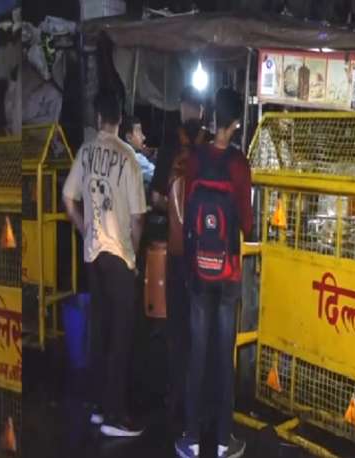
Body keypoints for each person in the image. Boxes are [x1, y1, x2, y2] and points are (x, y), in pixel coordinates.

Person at [63, 91, 147, 437]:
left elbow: (68, 198)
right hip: (119, 254)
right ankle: (115, 415)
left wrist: (85, 229)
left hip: (93, 254)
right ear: (120, 120)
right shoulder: (128, 157)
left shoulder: (85, 152)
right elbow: (138, 218)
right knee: (121, 336)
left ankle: (98, 407)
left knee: (99, 330)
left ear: (98, 118)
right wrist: (133, 255)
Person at [175, 88, 251, 458]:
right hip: (229, 273)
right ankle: (223, 441)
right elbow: (248, 224)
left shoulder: (196, 157)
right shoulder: (239, 164)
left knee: (197, 353)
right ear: (235, 123)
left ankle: (190, 438)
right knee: (223, 356)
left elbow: (188, 207)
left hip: (198, 272)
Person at [148, 85, 212, 427]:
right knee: (201, 328)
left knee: (176, 329)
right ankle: (198, 400)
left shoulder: (169, 146)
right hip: (205, 257)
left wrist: (172, 209)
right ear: (201, 110)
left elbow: (156, 197)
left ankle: (175, 397)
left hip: (176, 252)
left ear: (182, 107)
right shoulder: (213, 147)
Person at [120, 115, 155, 189]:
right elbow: (157, 176)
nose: (144, 137)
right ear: (129, 137)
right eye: (139, 132)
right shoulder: (135, 158)